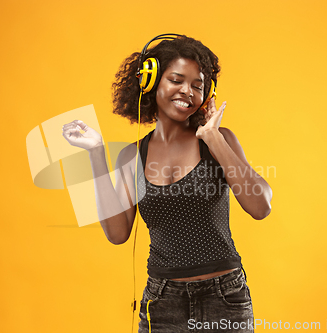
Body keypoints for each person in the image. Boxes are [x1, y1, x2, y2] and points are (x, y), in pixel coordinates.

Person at [62, 35, 272, 333]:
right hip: (161, 300)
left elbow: (260, 206)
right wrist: (96, 153)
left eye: (197, 85)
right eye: (176, 80)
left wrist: (213, 138)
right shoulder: (132, 155)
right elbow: (118, 233)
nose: (187, 91)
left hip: (223, 297)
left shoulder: (219, 140)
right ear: (151, 83)